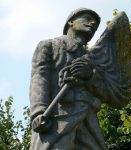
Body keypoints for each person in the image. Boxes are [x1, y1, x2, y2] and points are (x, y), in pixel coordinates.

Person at [29, 8, 107, 150]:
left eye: (95, 23)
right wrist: (38, 112)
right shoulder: (50, 46)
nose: (92, 23)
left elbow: (104, 91)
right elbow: (40, 79)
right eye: (87, 18)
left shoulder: (93, 59)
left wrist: (90, 76)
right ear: (70, 22)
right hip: (58, 117)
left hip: (88, 120)